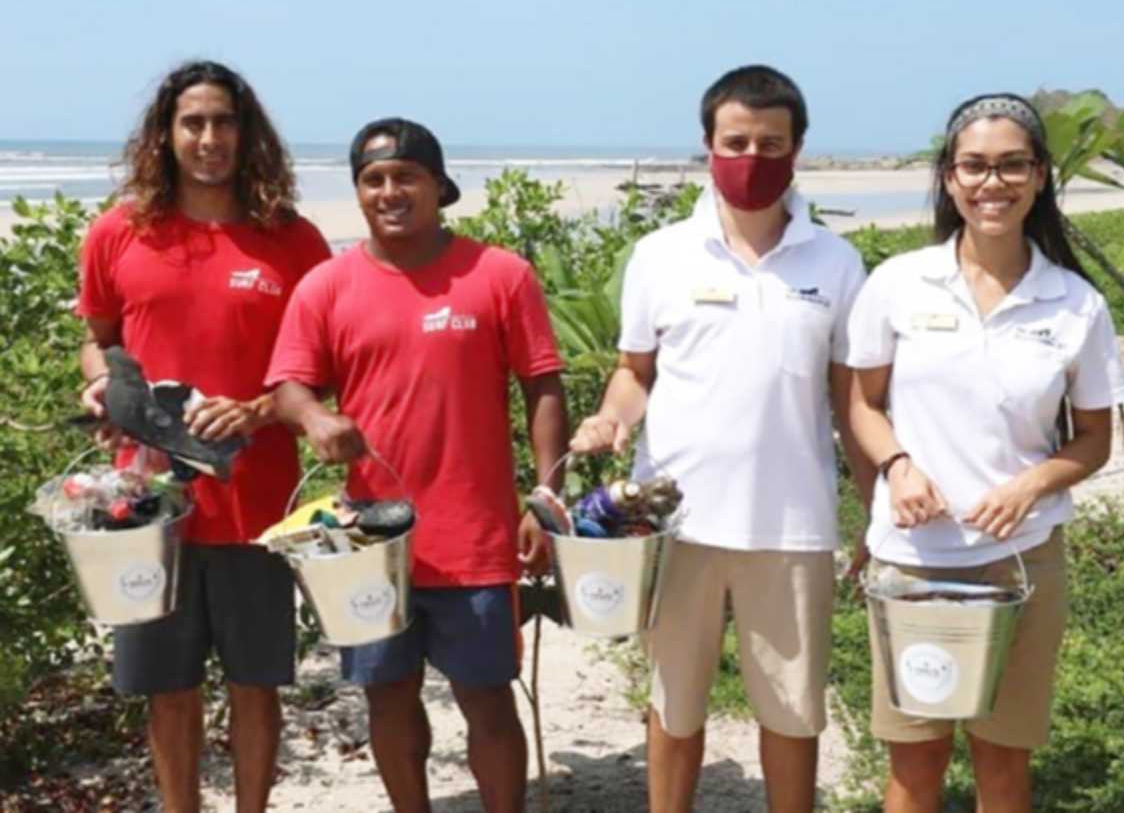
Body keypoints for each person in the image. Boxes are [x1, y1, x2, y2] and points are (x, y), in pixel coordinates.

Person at [570, 65, 874, 813]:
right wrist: (612, 417)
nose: (752, 157)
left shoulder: (836, 263)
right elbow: (634, 373)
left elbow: (853, 401)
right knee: (675, 708)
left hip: (794, 525)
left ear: (797, 148)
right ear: (706, 145)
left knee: (793, 713)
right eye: (735, 141)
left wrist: (876, 512)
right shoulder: (660, 254)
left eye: (771, 143)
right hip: (676, 522)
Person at [266, 116, 568, 813]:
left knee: (487, 700)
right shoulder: (326, 285)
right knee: (388, 696)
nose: (389, 191)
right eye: (373, 180)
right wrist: (315, 417)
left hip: (476, 538)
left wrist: (545, 498)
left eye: (406, 176)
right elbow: (289, 386)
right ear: (358, 192)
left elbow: (543, 385)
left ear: (439, 186)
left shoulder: (498, 274)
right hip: (370, 543)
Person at [845, 93, 1124, 813]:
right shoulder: (899, 283)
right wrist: (898, 465)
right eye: (974, 166)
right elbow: (863, 404)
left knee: (1003, 766)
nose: (990, 183)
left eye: (1010, 166)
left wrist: (1032, 483)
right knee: (915, 764)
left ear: (1039, 177)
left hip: (1021, 561)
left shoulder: (1074, 304)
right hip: (912, 559)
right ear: (948, 177)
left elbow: (1094, 437)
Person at [77, 59, 332, 813]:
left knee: (256, 686)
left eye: (225, 122)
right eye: (193, 123)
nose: (210, 138)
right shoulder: (120, 231)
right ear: (166, 134)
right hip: (146, 508)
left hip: (258, 506)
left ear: (247, 134)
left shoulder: (291, 240)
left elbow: (325, 372)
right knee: (168, 689)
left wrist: (256, 410)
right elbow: (98, 339)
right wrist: (99, 382)